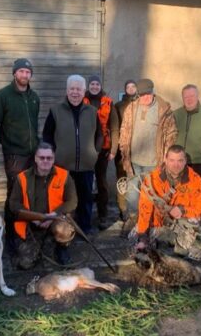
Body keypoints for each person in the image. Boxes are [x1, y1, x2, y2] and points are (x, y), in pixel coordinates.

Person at [0, 58, 40, 254]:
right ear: (14, 73)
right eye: (21, 72)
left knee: (31, 192)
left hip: (32, 154)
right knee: (15, 194)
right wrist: (7, 142)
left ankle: (27, 229)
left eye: (28, 72)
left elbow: (34, 123)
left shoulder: (34, 97)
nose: (24, 75)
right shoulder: (3, 96)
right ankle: (10, 237)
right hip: (14, 155)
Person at [42, 75, 103, 234]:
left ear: (84, 91)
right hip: (63, 166)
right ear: (67, 90)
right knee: (62, 200)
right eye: (72, 89)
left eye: (78, 89)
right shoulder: (55, 111)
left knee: (85, 199)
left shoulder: (92, 111)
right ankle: (62, 231)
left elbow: (100, 135)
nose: (75, 92)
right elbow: (47, 135)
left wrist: (94, 153)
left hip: (86, 166)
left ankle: (84, 228)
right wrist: (54, 155)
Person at [118, 78, 177, 234]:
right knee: (132, 195)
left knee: (153, 195)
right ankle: (133, 220)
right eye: (142, 94)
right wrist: (124, 154)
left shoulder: (164, 109)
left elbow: (171, 134)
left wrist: (166, 158)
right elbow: (124, 131)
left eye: (148, 94)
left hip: (154, 162)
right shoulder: (131, 108)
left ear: (153, 92)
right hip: (134, 161)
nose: (145, 97)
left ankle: (152, 225)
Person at [9, 142, 78, 269]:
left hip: (55, 221)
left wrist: (52, 215)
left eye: (49, 158)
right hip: (32, 224)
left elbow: (72, 201)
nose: (45, 161)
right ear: (35, 158)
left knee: (63, 230)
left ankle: (62, 248)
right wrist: (34, 218)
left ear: (53, 159)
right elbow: (13, 204)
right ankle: (41, 245)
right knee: (25, 264)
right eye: (42, 157)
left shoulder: (64, 175)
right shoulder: (22, 178)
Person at [134, 145, 201, 260]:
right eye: (172, 160)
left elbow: (200, 209)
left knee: (187, 252)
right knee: (140, 246)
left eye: (180, 160)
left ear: (185, 161)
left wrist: (182, 210)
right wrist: (142, 237)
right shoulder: (152, 180)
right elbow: (145, 210)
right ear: (165, 160)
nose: (176, 165)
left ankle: (184, 246)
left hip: (181, 225)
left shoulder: (195, 179)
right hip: (158, 225)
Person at [83, 75, 118, 230]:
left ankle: (102, 215)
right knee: (84, 183)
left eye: (97, 84)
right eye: (92, 84)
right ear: (88, 86)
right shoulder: (81, 101)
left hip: (103, 149)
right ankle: (83, 215)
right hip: (85, 149)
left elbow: (115, 127)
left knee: (102, 182)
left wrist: (113, 149)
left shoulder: (108, 103)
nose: (95, 86)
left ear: (100, 86)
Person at [113, 80, 137, 222]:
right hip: (123, 148)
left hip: (138, 148)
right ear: (124, 89)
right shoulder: (118, 106)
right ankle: (123, 209)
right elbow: (115, 127)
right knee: (122, 179)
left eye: (133, 86)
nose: (130, 88)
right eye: (128, 86)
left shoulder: (142, 104)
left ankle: (135, 209)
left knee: (136, 179)